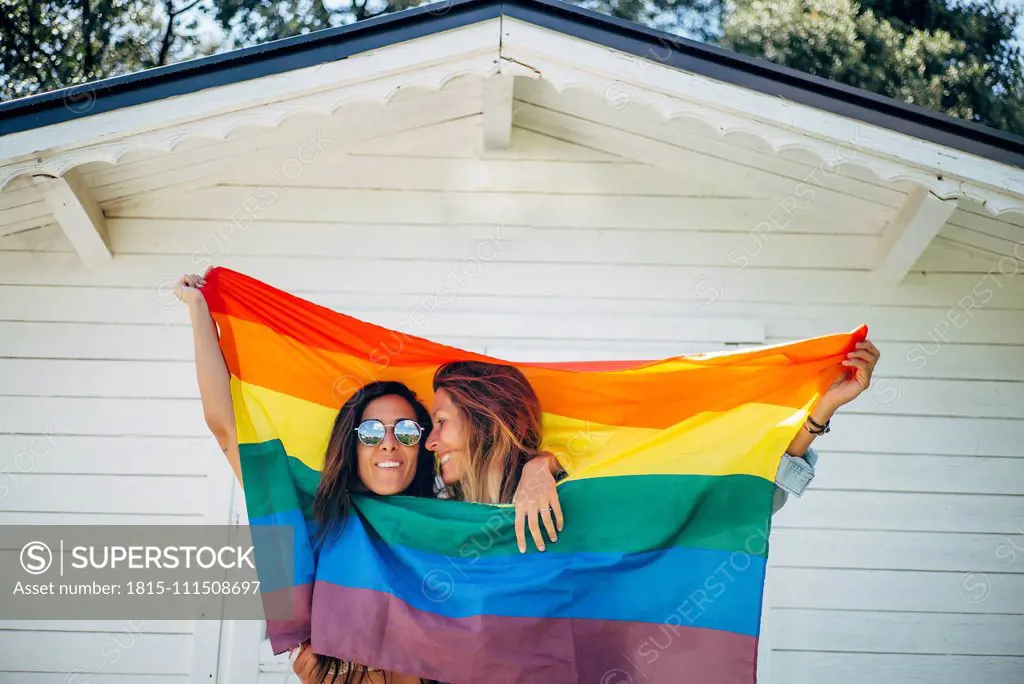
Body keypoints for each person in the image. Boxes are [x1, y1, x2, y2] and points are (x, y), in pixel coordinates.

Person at [175, 272, 433, 684]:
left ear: (424, 445)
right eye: (370, 433)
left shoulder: (452, 521)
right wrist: (200, 314)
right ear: (353, 446)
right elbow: (227, 429)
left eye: (405, 431)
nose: (388, 444)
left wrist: (539, 468)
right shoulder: (318, 514)